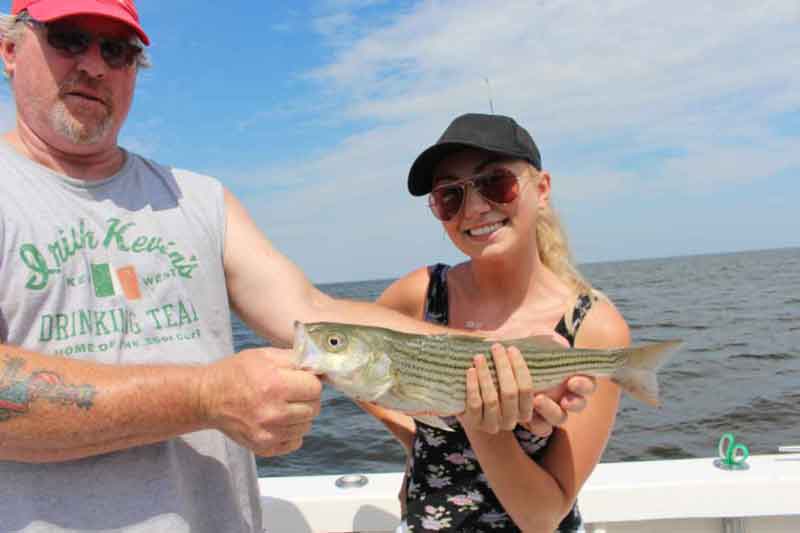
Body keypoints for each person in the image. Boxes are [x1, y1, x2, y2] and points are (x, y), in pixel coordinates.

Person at [0, 2, 595, 532]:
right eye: (69, 38)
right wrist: (206, 396)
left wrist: (507, 356)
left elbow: (315, 314)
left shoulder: (198, 200)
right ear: (10, 47)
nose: (96, 65)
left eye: (118, 49)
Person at [361, 113, 629, 532]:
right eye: (450, 195)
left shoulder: (593, 327)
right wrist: (417, 439)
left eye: (495, 183)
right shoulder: (422, 292)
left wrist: (480, 425)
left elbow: (542, 517)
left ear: (541, 190)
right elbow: (347, 362)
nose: (475, 208)